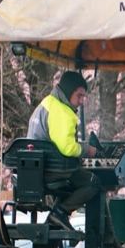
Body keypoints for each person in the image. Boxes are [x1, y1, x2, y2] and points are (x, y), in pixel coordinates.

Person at [26, 70, 101, 232]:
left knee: (78, 182)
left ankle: (58, 214)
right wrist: (87, 149)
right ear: (68, 91)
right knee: (93, 183)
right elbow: (67, 147)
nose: (82, 101)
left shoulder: (48, 102)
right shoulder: (62, 111)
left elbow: (59, 141)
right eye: (79, 95)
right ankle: (60, 213)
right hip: (53, 169)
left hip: (37, 168)